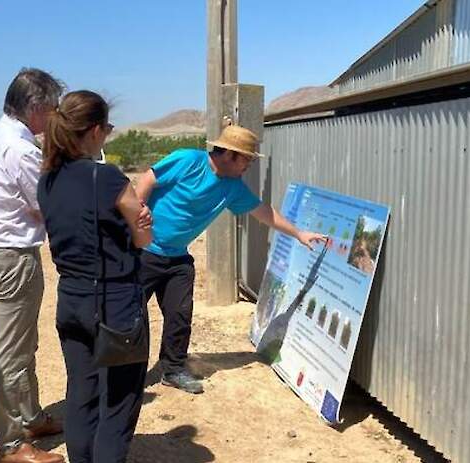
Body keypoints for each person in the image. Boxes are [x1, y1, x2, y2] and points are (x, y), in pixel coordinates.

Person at [37, 90, 160, 463]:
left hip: (70, 299)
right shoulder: (105, 178)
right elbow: (143, 235)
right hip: (114, 303)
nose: (108, 135)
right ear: (93, 131)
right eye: (107, 128)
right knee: (120, 403)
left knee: (81, 393)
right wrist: (141, 227)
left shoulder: (46, 179)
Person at [135, 124, 328, 394]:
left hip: (177, 259)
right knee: (130, 316)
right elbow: (147, 180)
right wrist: (137, 217)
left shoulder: (233, 188)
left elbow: (264, 212)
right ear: (230, 154)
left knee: (180, 316)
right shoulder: (188, 160)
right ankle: (124, 374)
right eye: (247, 158)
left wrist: (299, 233)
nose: (248, 164)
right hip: (143, 253)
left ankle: (173, 368)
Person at [0, 68, 66, 463]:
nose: (53, 117)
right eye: (52, 108)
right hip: (13, 259)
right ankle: (11, 441)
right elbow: (44, 205)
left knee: (22, 342)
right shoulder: (21, 150)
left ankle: (33, 417)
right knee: (11, 354)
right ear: (36, 107)